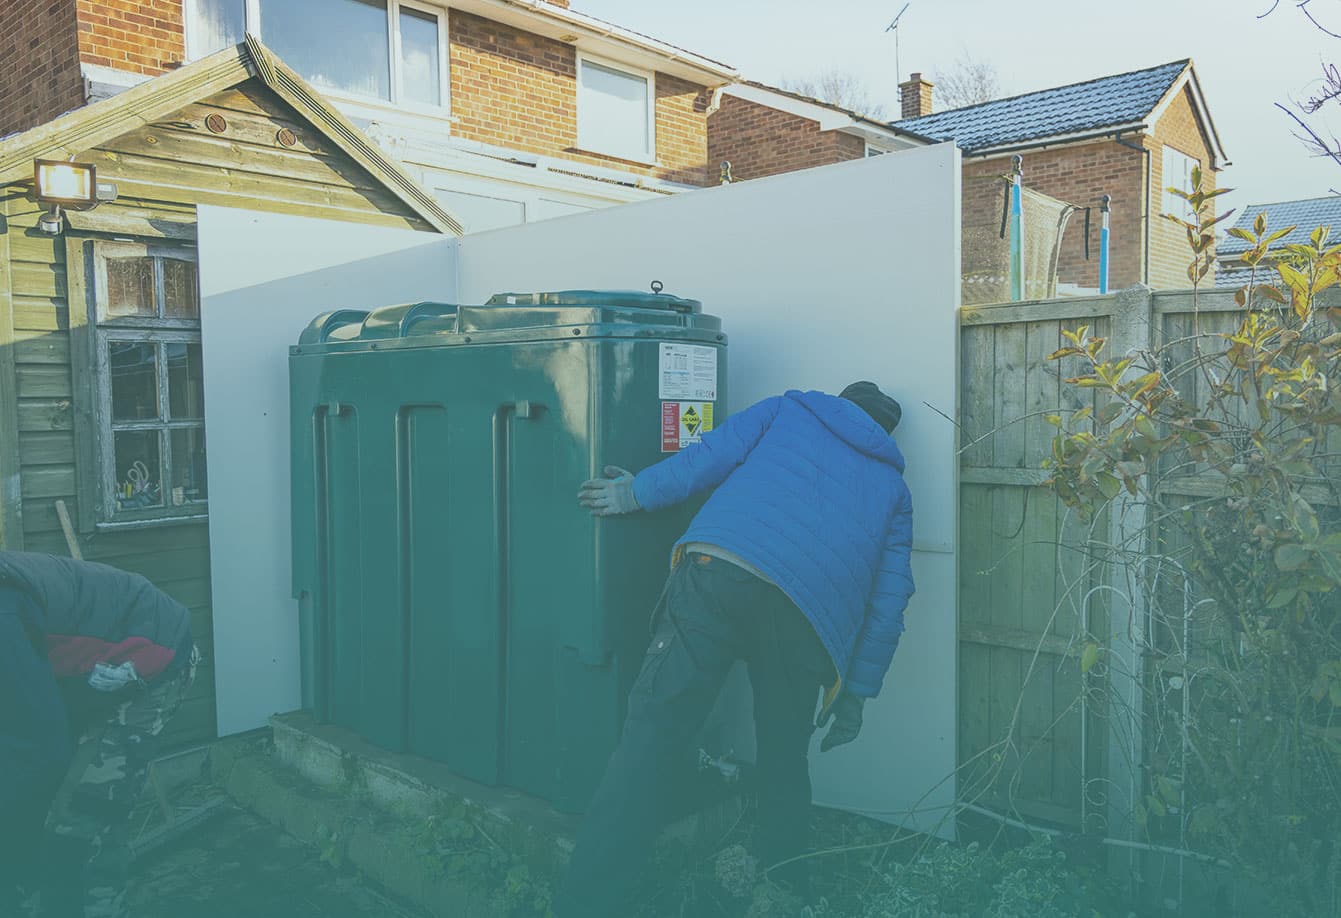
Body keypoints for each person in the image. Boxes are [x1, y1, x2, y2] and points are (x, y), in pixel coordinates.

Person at [558, 381, 914, 917]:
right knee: (783, 760)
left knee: (652, 736)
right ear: (883, 433)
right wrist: (856, 694)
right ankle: (782, 893)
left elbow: (709, 455)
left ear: (839, 402)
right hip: (807, 620)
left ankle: (582, 904)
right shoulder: (893, 488)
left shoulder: (790, 411)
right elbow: (890, 599)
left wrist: (633, 494)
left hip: (719, 573)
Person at [0, 550, 197, 918]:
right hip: (85, 677)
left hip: (152, 661)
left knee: (78, 823)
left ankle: (92, 904)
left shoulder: (3, 612)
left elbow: (40, 748)